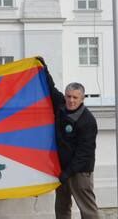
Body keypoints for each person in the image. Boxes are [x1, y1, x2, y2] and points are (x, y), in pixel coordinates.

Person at [38, 57, 99, 219]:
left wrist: (68, 173)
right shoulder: (61, 106)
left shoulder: (87, 121)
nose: (71, 100)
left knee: (88, 210)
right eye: (68, 96)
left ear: (82, 98)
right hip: (62, 168)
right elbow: (51, 90)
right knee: (62, 208)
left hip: (80, 172)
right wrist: (44, 69)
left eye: (75, 97)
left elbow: (84, 153)